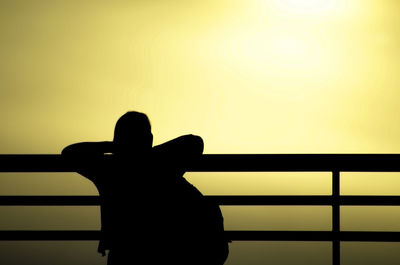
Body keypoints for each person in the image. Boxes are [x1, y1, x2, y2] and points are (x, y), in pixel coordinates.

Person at [61, 111, 229, 265]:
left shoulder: (108, 169)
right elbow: (194, 143)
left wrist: (113, 146)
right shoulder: (161, 164)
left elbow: (70, 153)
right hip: (164, 252)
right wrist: (147, 151)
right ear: (148, 138)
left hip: (125, 254)